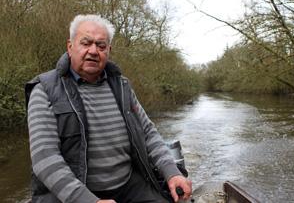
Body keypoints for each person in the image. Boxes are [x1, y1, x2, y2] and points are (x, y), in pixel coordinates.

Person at [25, 14, 192, 203]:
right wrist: (88, 200)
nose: (93, 51)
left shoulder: (122, 86)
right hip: (77, 194)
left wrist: (172, 172)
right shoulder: (44, 89)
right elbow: (45, 157)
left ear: (109, 50)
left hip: (130, 186)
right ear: (70, 47)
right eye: (86, 43)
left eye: (101, 45)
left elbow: (148, 134)